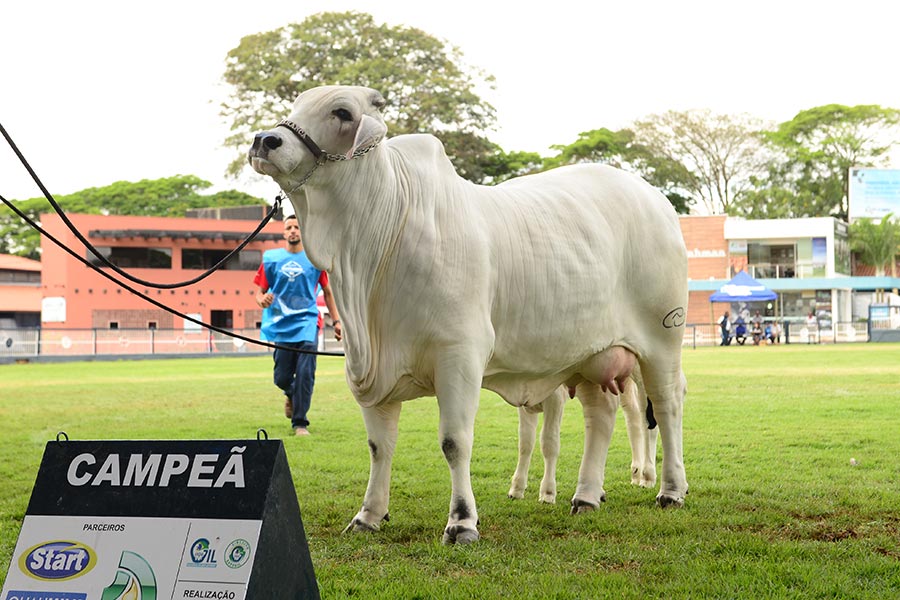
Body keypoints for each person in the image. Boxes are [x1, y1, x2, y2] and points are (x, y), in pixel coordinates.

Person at [254, 215, 342, 436]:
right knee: (281, 377)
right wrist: (260, 300)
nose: (293, 231)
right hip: (281, 323)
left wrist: (337, 321)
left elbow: (328, 292)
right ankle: (291, 393)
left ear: (303, 232)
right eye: (289, 227)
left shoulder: (315, 259)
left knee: (305, 372)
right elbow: (259, 291)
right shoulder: (271, 260)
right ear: (284, 233)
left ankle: (300, 422)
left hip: (308, 322)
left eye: (297, 227)